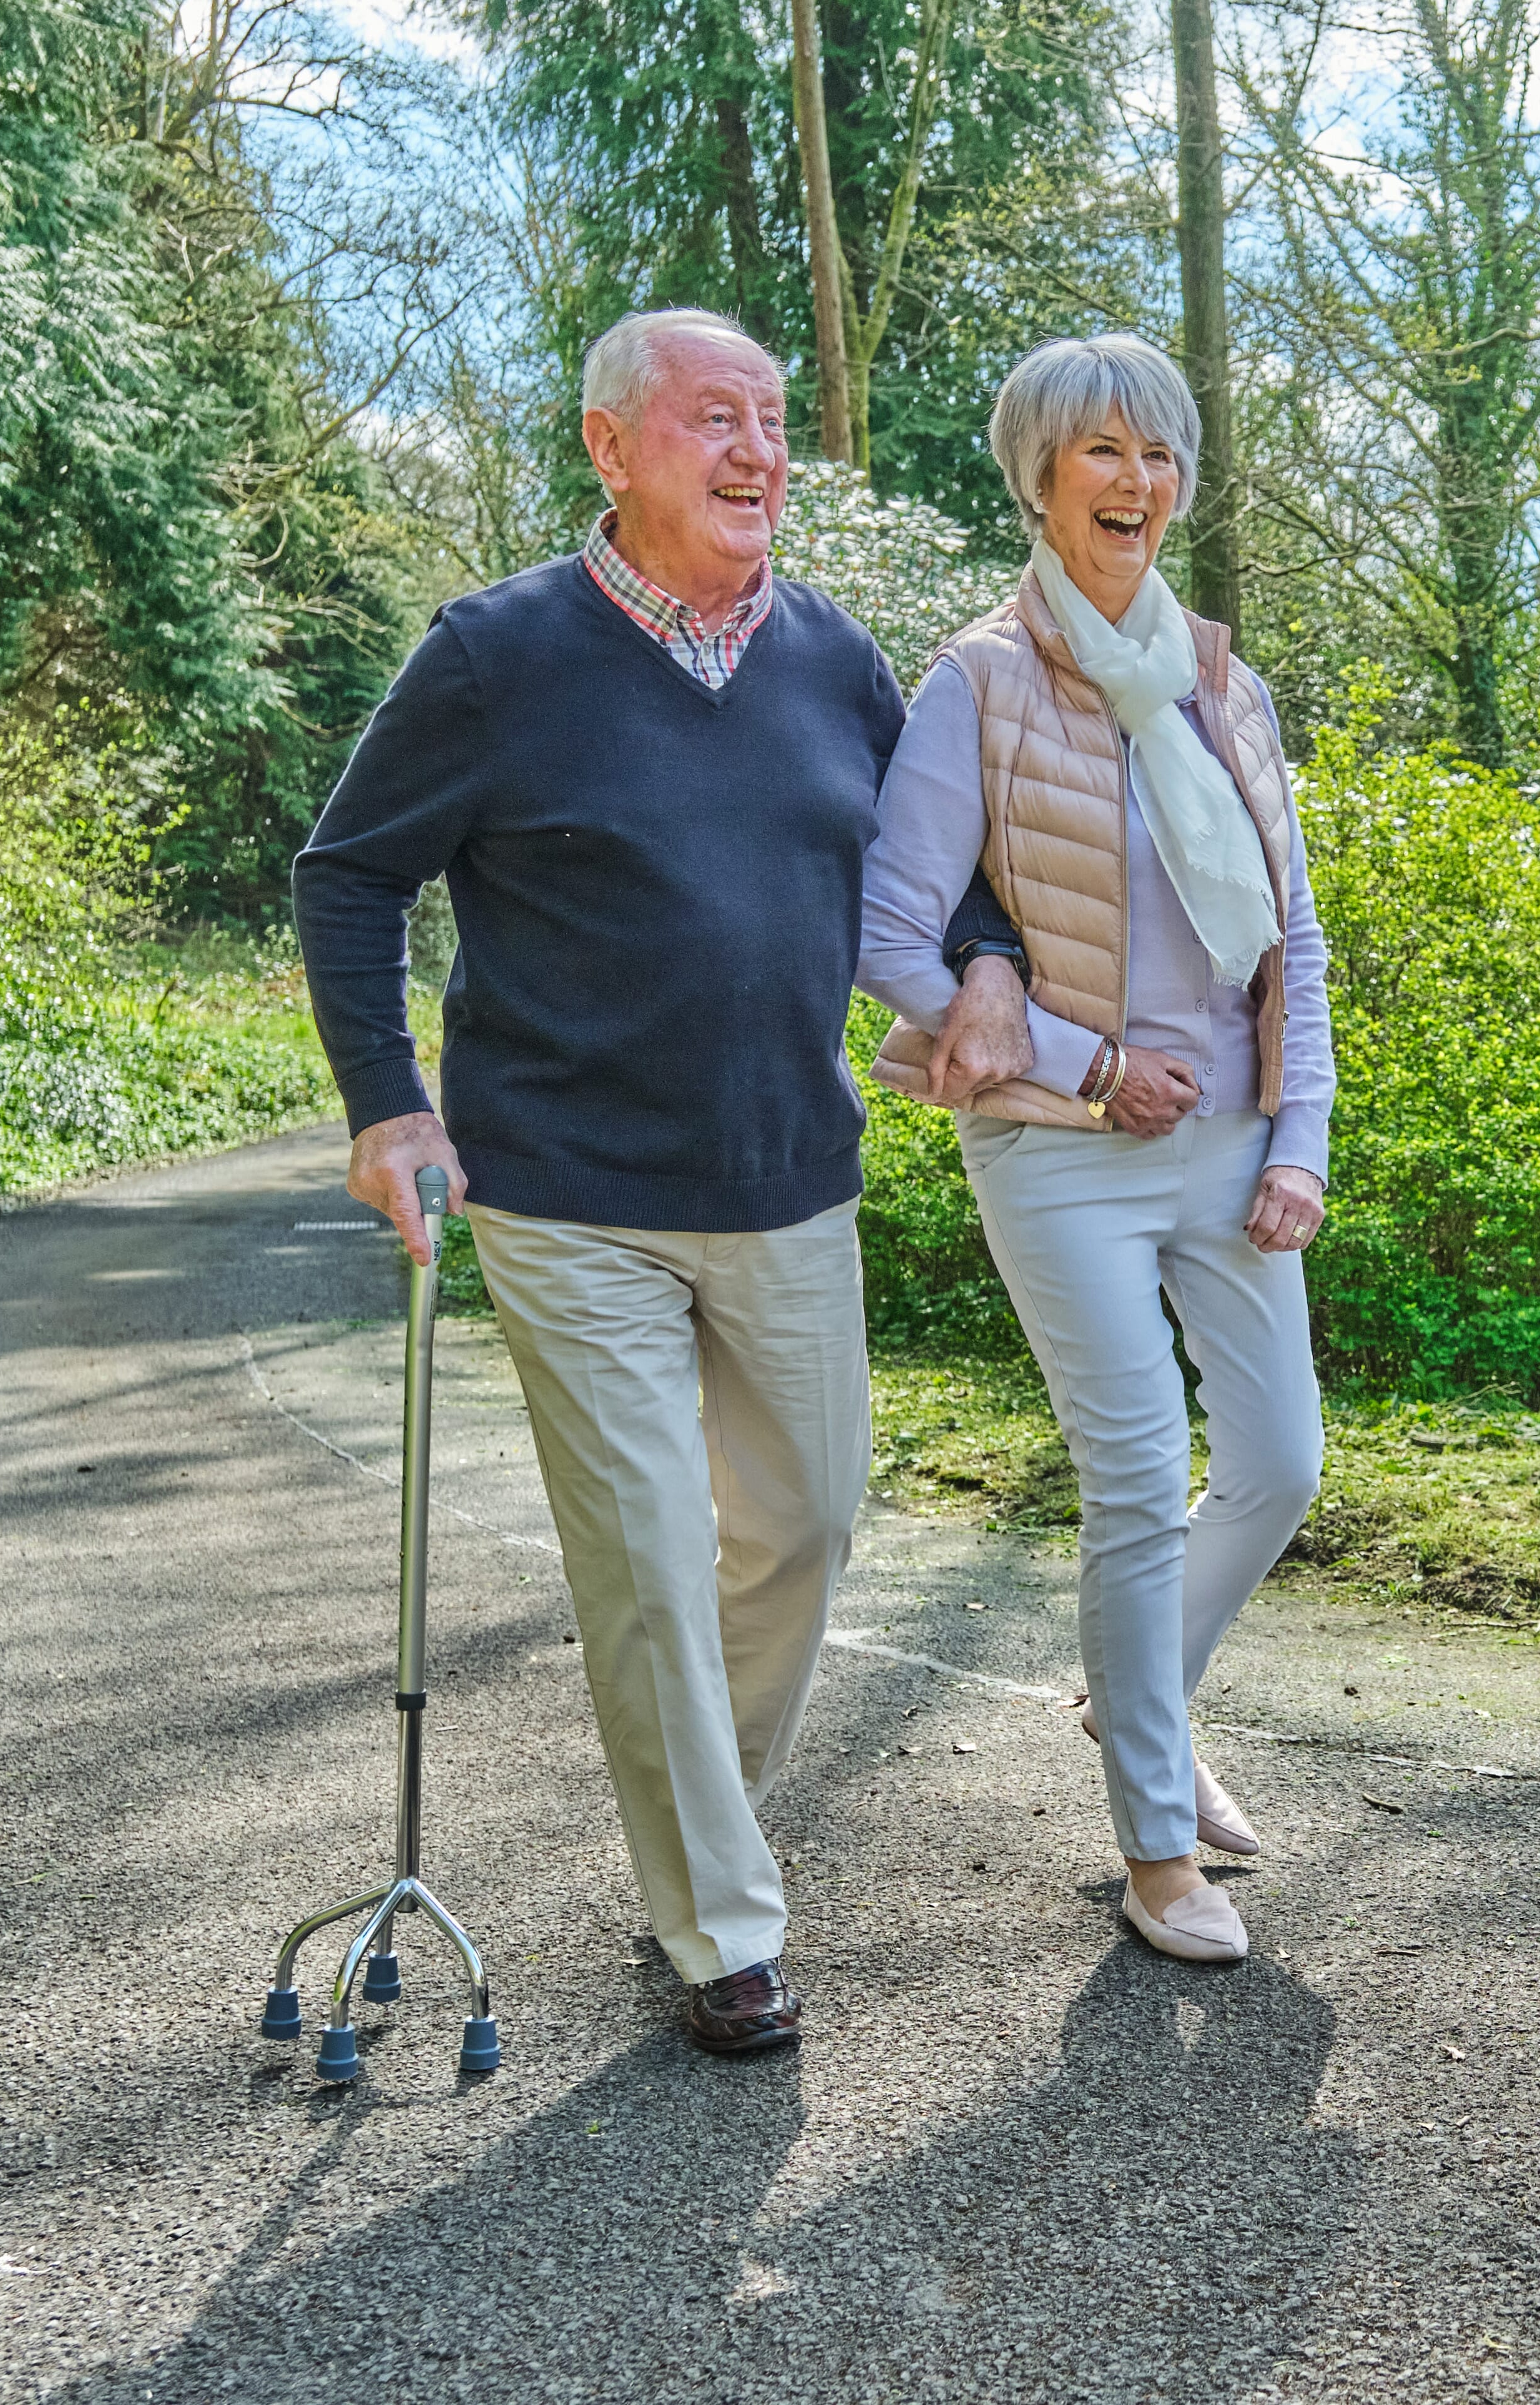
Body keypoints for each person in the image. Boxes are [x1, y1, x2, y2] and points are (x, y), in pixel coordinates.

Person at [294, 307, 960, 2055]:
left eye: (772, 422)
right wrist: (389, 1105)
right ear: (609, 446)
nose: (759, 453)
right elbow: (348, 875)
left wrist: (983, 985)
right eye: (713, 418)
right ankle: (718, 1927)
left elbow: (925, 880)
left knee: (807, 1527)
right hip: (565, 1189)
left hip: (791, 1175)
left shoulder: (836, 658)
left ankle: (693, 1826)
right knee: (655, 1557)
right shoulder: (495, 655)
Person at [858, 333, 1336, 1967]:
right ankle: (1154, 1850)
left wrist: (1299, 1137)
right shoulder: (977, 683)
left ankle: (1136, 1697)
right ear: (1040, 479)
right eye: (1103, 453)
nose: (1138, 482)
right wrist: (1094, 1064)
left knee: (1279, 1461)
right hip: (1061, 1148)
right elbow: (889, 932)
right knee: (1134, 1477)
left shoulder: (1224, 685)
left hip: (1233, 1140)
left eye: (1160, 453)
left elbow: (1292, 938)